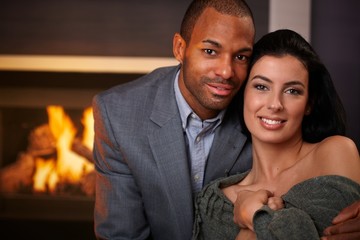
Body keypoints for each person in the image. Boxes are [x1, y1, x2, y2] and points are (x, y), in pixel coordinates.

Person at [92, 0, 360, 238]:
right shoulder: (118, 114)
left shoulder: (322, 148)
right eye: (210, 51)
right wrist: (255, 218)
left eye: (241, 56)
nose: (226, 71)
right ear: (179, 48)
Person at [192, 29, 360, 240]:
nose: (275, 104)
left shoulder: (334, 153)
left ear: (309, 103)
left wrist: (255, 216)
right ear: (243, 94)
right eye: (261, 86)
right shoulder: (215, 202)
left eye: (292, 91)